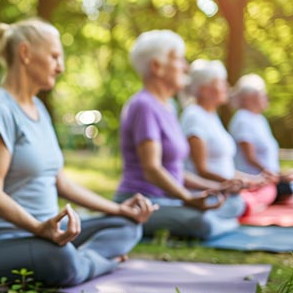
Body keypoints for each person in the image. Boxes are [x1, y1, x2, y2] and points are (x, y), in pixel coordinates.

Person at [0, 19, 156, 288]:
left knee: (127, 226)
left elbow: (60, 182)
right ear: (25, 53)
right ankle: (99, 263)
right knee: (60, 258)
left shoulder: (39, 109)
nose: (60, 67)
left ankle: (80, 260)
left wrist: (119, 209)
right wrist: (39, 229)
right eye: (54, 56)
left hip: (47, 235)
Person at [115, 30, 242, 240]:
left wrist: (218, 187)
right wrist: (187, 198)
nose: (185, 66)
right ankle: (224, 223)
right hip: (142, 202)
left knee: (233, 203)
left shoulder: (170, 107)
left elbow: (176, 172)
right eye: (178, 59)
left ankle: (222, 219)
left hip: (169, 200)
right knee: (202, 223)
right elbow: (152, 169)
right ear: (157, 67)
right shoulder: (143, 105)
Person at [180, 60, 275, 215]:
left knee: (266, 191)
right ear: (204, 89)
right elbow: (201, 169)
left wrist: (252, 179)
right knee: (243, 203)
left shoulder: (211, 116)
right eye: (221, 82)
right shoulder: (194, 116)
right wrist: (233, 183)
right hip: (206, 193)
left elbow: (225, 167)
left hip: (224, 190)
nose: (227, 87)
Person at [228, 73, 293, 204]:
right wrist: (275, 176)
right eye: (262, 94)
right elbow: (250, 157)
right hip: (256, 181)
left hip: (269, 178)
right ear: (249, 98)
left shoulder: (259, 119)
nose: (266, 97)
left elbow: (268, 151)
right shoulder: (242, 119)